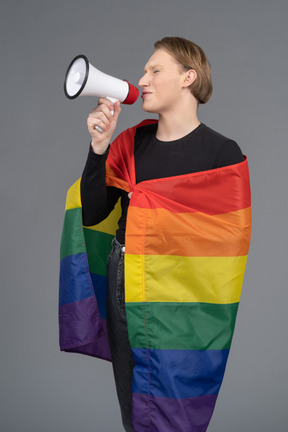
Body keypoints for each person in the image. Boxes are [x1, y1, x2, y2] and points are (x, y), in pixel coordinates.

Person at [78, 37, 247, 432]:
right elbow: (94, 211)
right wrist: (99, 148)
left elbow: (229, 242)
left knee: (176, 396)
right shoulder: (132, 142)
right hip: (127, 280)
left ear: (189, 77)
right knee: (135, 396)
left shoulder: (223, 154)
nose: (143, 79)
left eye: (155, 70)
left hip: (187, 292)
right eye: (144, 71)